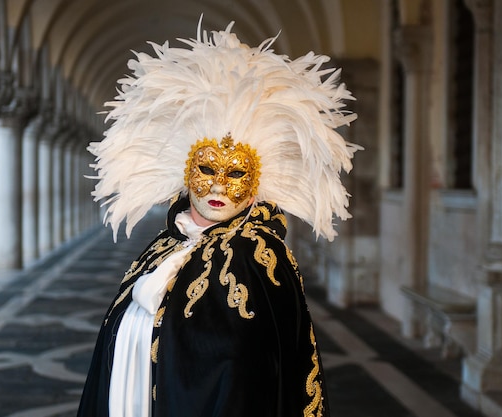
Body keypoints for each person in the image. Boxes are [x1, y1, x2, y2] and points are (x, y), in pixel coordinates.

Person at [77, 18, 359, 417]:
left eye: (237, 174)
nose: (218, 188)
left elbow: (253, 371)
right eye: (207, 170)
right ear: (186, 170)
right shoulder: (166, 244)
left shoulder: (260, 259)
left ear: (258, 180)